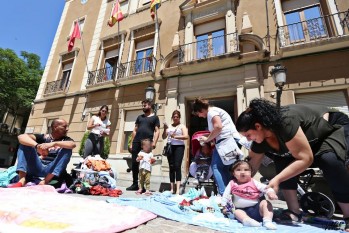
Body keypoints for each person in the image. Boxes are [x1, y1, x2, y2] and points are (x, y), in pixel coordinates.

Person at [236, 98, 349, 231]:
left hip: (331, 128)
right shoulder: (260, 140)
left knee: (329, 160)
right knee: (282, 159)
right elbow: (251, 166)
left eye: (248, 135)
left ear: (258, 126)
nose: (247, 139)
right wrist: (237, 185)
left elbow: (305, 159)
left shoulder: (285, 121)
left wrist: (277, 179)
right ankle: (294, 211)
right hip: (310, 139)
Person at [192, 97, 242, 195]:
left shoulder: (211, 112)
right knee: (225, 168)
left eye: (199, 114)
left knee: (216, 167)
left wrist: (207, 139)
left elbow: (218, 127)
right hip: (229, 140)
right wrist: (205, 136)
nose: (200, 116)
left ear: (201, 110)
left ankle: (224, 195)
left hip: (226, 142)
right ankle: (229, 194)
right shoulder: (215, 111)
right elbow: (217, 131)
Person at [8, 119, 76, 187]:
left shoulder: (66, 140)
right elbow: (21, 137)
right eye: (64, 127)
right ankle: (22, 179)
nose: (67, 129)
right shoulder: (43, 137)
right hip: (36, 166)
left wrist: (53, 144)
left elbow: (72, 145)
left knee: (67, 149)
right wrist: (37, 146)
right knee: (24, 143)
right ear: (55, 127)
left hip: (51, 171)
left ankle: (45, 181)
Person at [221, 160, 278, 230]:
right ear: (233, 173)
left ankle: (267, 221)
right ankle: (247, 221)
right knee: (237, 212)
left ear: (251, 172)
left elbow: (265, 188)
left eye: (246, 170)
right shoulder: (232, 183)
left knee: (266, 203)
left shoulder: (253, 182)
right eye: (238, 170)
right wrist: (224, 207)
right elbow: (225, 196)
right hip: (241, 210)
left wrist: (270, 192)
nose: (242, 172)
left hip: (257, 209)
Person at [127, 99, 160, 191]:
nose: (143, 107)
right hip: (136, 141)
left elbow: (157, 131)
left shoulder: (155, 118)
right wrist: (131, 143)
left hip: (147, 142)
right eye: (142, 105)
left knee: (145, 162)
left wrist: (154, 142)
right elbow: (135, 130)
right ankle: (135, 184)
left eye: (144, 105)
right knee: (134, 162)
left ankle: (144, 185)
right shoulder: (139, 117)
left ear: (150, 106)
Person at [162, 110, 189, 194]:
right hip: (170, 147)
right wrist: (165, 129)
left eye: (177, 117)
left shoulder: (182, 126)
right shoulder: (169, 126)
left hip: (179, 147)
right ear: (172, 117)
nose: (175, 118)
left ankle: (177, 189)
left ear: (179, 117)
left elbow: (186, 136)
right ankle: (171, 188)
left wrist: (176, 136)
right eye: (174, 117)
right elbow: (163, 137)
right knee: (171, 167)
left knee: (177, 166)